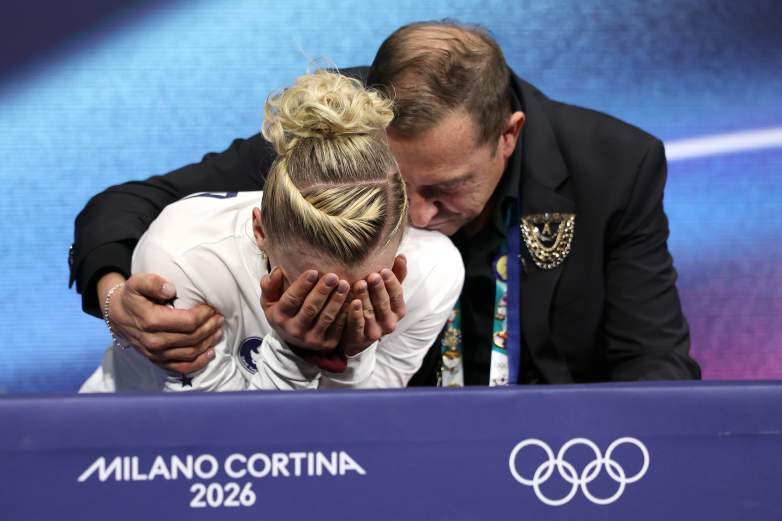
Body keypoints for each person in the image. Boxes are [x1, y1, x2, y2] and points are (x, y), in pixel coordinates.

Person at [70, 20, 700, 386]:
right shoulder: (330, 143)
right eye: (400, 186)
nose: (418, 219)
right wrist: (115, 297)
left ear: (508, 135)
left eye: (446, 188)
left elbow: (653, 361)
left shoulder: (616, 166)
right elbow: (128, 204)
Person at [79, 70, 464, 392]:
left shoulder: (433, 272)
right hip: (125, 449)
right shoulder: (183, 256)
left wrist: (351, 355)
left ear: (402, 240)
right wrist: (295, 355)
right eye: (309, 285)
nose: (334, 311)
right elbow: (226, 448)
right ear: (260, 229)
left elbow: (349, 443)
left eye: (364, 287)